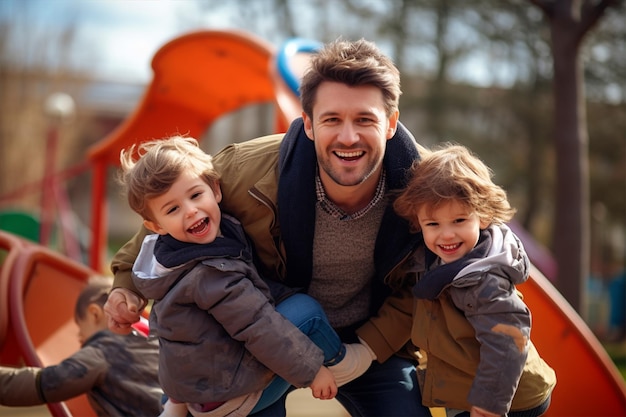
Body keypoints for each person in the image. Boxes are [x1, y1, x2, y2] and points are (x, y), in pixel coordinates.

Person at [106, 37, 432, 417]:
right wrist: (126, 289)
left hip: (365, 338)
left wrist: (370, 349)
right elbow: (164, 223)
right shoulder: (242, 170)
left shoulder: (427, 189)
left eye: (364, 119)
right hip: (257, 334)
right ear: (308, 123)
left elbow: (428, 283)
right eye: (331, 119)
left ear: (390, 123)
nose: (348, 137)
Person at [118, 136, 374, 417]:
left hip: (202, 383)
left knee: (272, 397)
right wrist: (312, 372)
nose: (191, 211)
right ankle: (341, 363)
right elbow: (258, 326)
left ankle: (177, 406)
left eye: (195, 195)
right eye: (173, 209)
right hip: (228, 393)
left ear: (215, 189)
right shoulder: (211, 273)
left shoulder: (173, 255)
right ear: (156, 226)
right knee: (307, 311)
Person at [393, 144, 557, 417]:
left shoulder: (483, 278)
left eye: (459, 220)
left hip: (509, 398)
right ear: (417, 222)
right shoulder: (432, 262)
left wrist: (489, 403)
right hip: (475, 389)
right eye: (433, 224)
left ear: (482, 216)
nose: (446, 235)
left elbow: (509, 339)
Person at [0, 275, 163, 417]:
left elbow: (49, 382)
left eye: (80, 326)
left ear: (94, 314)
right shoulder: (156, 339)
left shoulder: (103, 351)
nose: (79, 336)